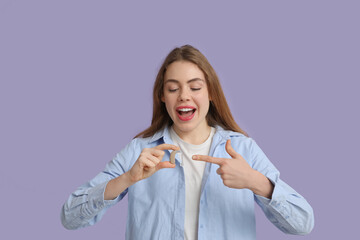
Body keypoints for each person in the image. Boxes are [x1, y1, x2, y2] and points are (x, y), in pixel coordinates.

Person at [61, 45, 314, 240]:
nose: (184, 96)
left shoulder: (243, 149)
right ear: (162, 96)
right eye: (173, 89)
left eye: (195, 87)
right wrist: (127, 178)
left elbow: (303, 223)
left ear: (210, 93)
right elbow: (69, 217)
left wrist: (256, 182)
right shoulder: (140, 151)